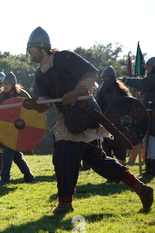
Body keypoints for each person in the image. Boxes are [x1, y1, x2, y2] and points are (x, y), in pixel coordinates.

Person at [23, 26, 153, 214]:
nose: (28, 52)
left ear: (41, 47)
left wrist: (75, 93)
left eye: (30, 49)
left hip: (84, 112)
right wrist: (34, 105)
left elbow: (90, 73)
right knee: (100, 161)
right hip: (71, 117)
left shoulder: (63, 57)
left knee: (63, 157)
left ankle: (65, 204)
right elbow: (45, 103)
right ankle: (142, 188)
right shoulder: (39, 74)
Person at [0, 72, 35, 185]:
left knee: (8, 151)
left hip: (22, 127)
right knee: (16, 156)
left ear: (13, 85)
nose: (5, 86)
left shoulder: (22, 94)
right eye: (4, 84)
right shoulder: (3, 95)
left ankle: (5, 179)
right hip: (10, 128)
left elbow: (32, 110)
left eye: (8, 84)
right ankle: (29, 177)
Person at [121, 56, 155, 176]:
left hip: (153, 117)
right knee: (149, 141)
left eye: (149, 65)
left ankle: (152, 169)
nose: (147, 67)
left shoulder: (153, 78)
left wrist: (127, 80)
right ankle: (150, 168)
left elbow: (141, 83)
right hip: (150, 115)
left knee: (151, 141)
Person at [95, 66, 132, 165]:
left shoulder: (121, 92)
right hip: (105, 125)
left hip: (119, 125)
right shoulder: (101, 93)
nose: (105, 81)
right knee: (106, 151)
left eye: (108, 78)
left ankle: (123, 169)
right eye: (104, 79)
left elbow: (129, 107)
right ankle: (111, 172)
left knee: (120, 151)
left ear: (113, 79)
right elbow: (98, 108)